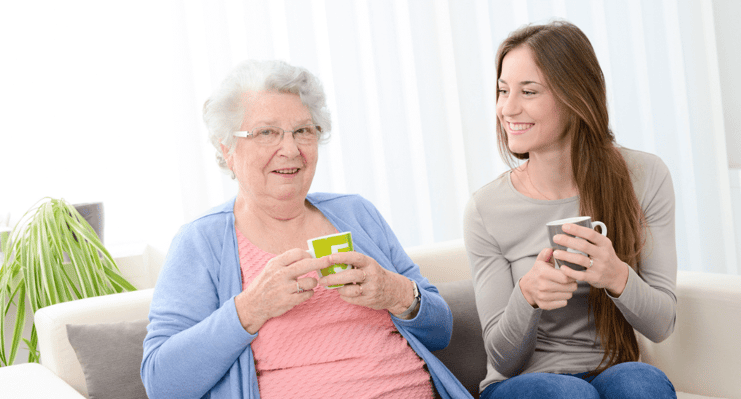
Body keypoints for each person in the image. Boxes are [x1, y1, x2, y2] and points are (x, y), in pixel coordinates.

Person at [141, 59, 471, 399]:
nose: (290, 149)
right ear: (228, 148)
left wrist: (396, 292)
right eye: (267, 132)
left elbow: (440, 332)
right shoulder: (200, 242)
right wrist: (250, 309)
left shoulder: (356, 213)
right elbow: (162, 385)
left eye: (303, 131)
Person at [463, 21, 678, 399]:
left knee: (643, 385)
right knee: (569, 395)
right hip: (520, 383)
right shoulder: (487, 208)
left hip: (612, 368)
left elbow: (662, 324)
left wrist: (616, 275)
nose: (507, 108)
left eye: (528, 91)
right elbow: (502, 357)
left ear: (575, 97)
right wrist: (526, 296)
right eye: (502, 91)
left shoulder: (644, 177)